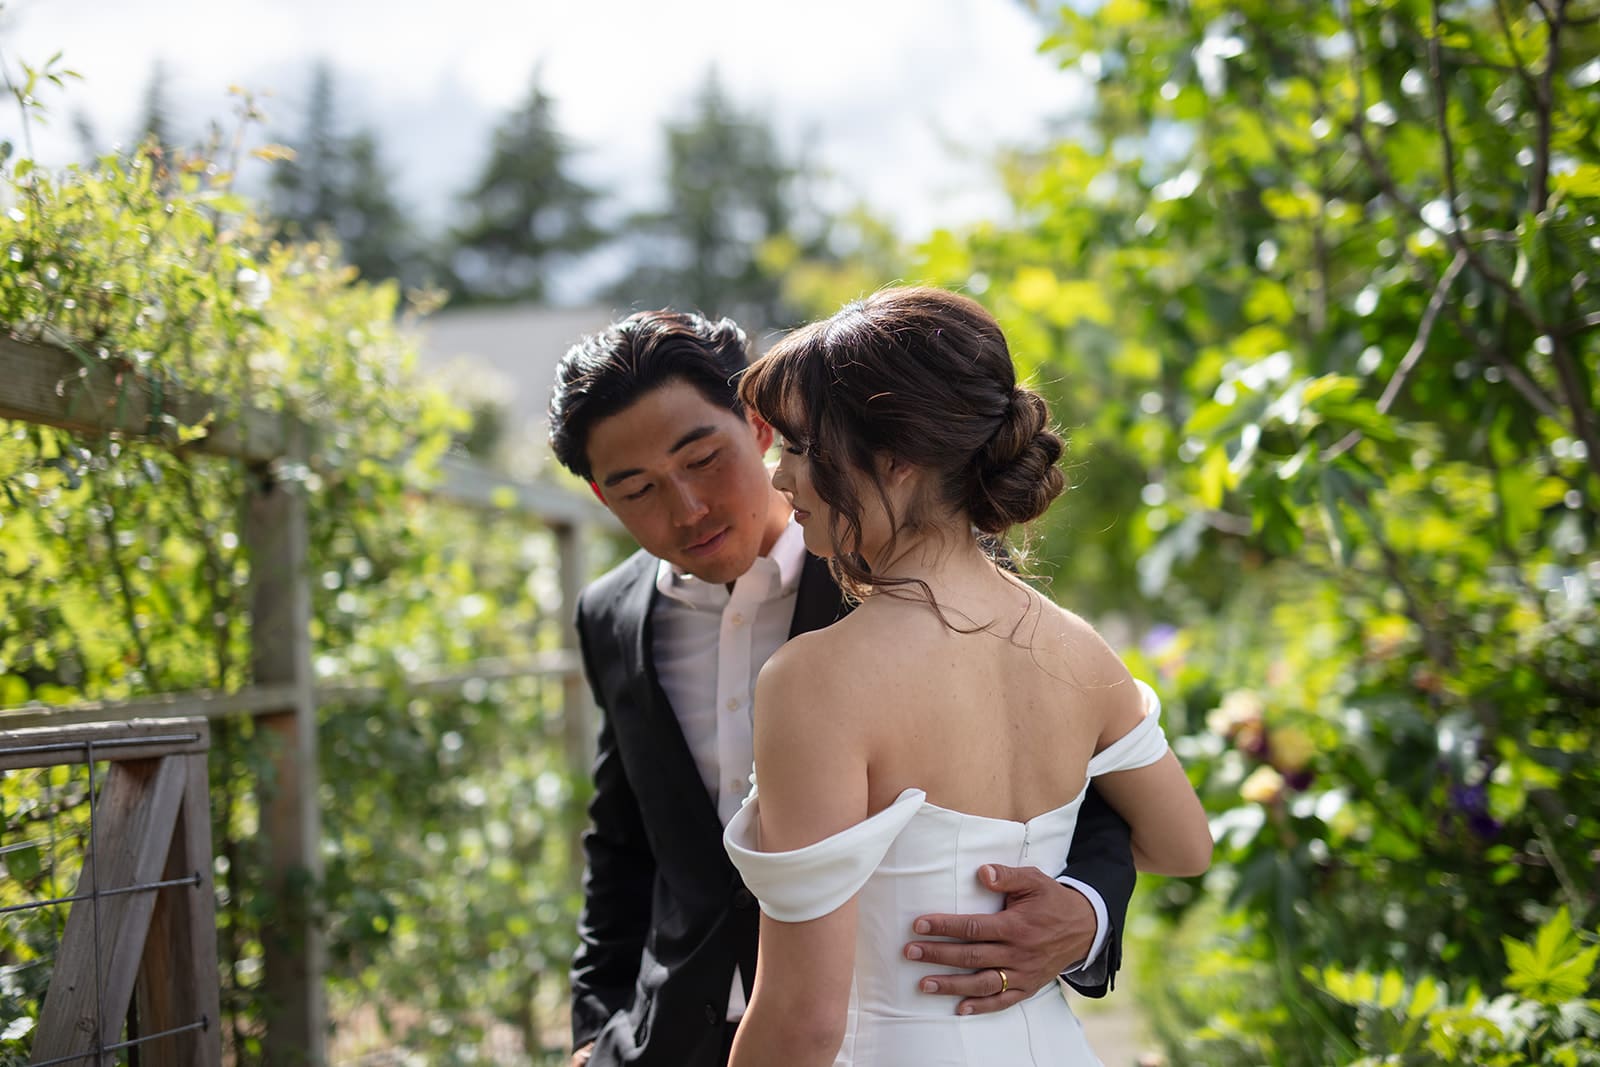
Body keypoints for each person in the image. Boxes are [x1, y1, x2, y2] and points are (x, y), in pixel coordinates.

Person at [547, 307, 1143, 1067]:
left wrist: (1085, 913)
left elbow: (1084, 770)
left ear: (761, 428)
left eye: (703, 460)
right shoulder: (610, 615)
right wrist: (594, 1030)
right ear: (603, 496)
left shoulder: (923, 564)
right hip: (669, 1041)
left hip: (882, 1030)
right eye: (639, 489)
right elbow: (624, 839)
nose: (686, 509)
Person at [721, 287, 1212, 1066]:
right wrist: (1083, 910)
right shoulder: (1079, 649)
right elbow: (1184, 843)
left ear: (898, 457)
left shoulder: (815, 679)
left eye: (803, 447)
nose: (780, 478)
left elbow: (804, 1018)